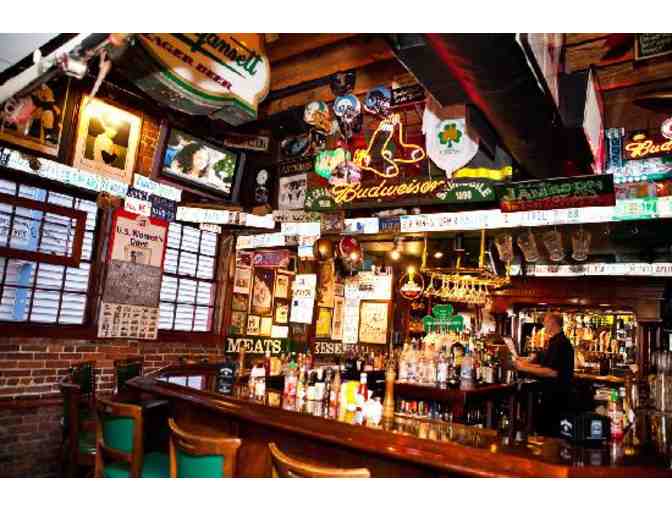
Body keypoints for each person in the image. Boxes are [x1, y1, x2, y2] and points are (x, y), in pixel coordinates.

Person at [514, 313, 574, 437]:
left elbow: (552, 371)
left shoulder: (560, 343)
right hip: (554, 394)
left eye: (545, 322)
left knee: (550, 432)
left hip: (556, 396)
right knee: (546, 430)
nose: (544, 325)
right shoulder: (556, 341)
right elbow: (544, 366)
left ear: (552, 323)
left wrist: (524, 367)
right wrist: (524, 364)